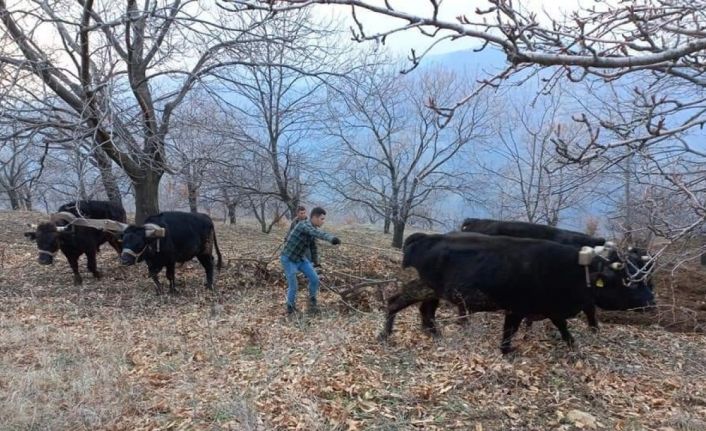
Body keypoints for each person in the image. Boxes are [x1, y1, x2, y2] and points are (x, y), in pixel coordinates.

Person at [280, 206, 341, 315]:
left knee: (315, 279)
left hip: (301, 259)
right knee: (293, 286)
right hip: (288, 259)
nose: (323, 221)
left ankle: (312, 299)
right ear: (315, 217)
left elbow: (313, 247)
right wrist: (331, 239)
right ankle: (290, 307)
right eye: (322, 219)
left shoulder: (312, 229)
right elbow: (318, 233)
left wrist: (315, 263)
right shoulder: (304, 225)